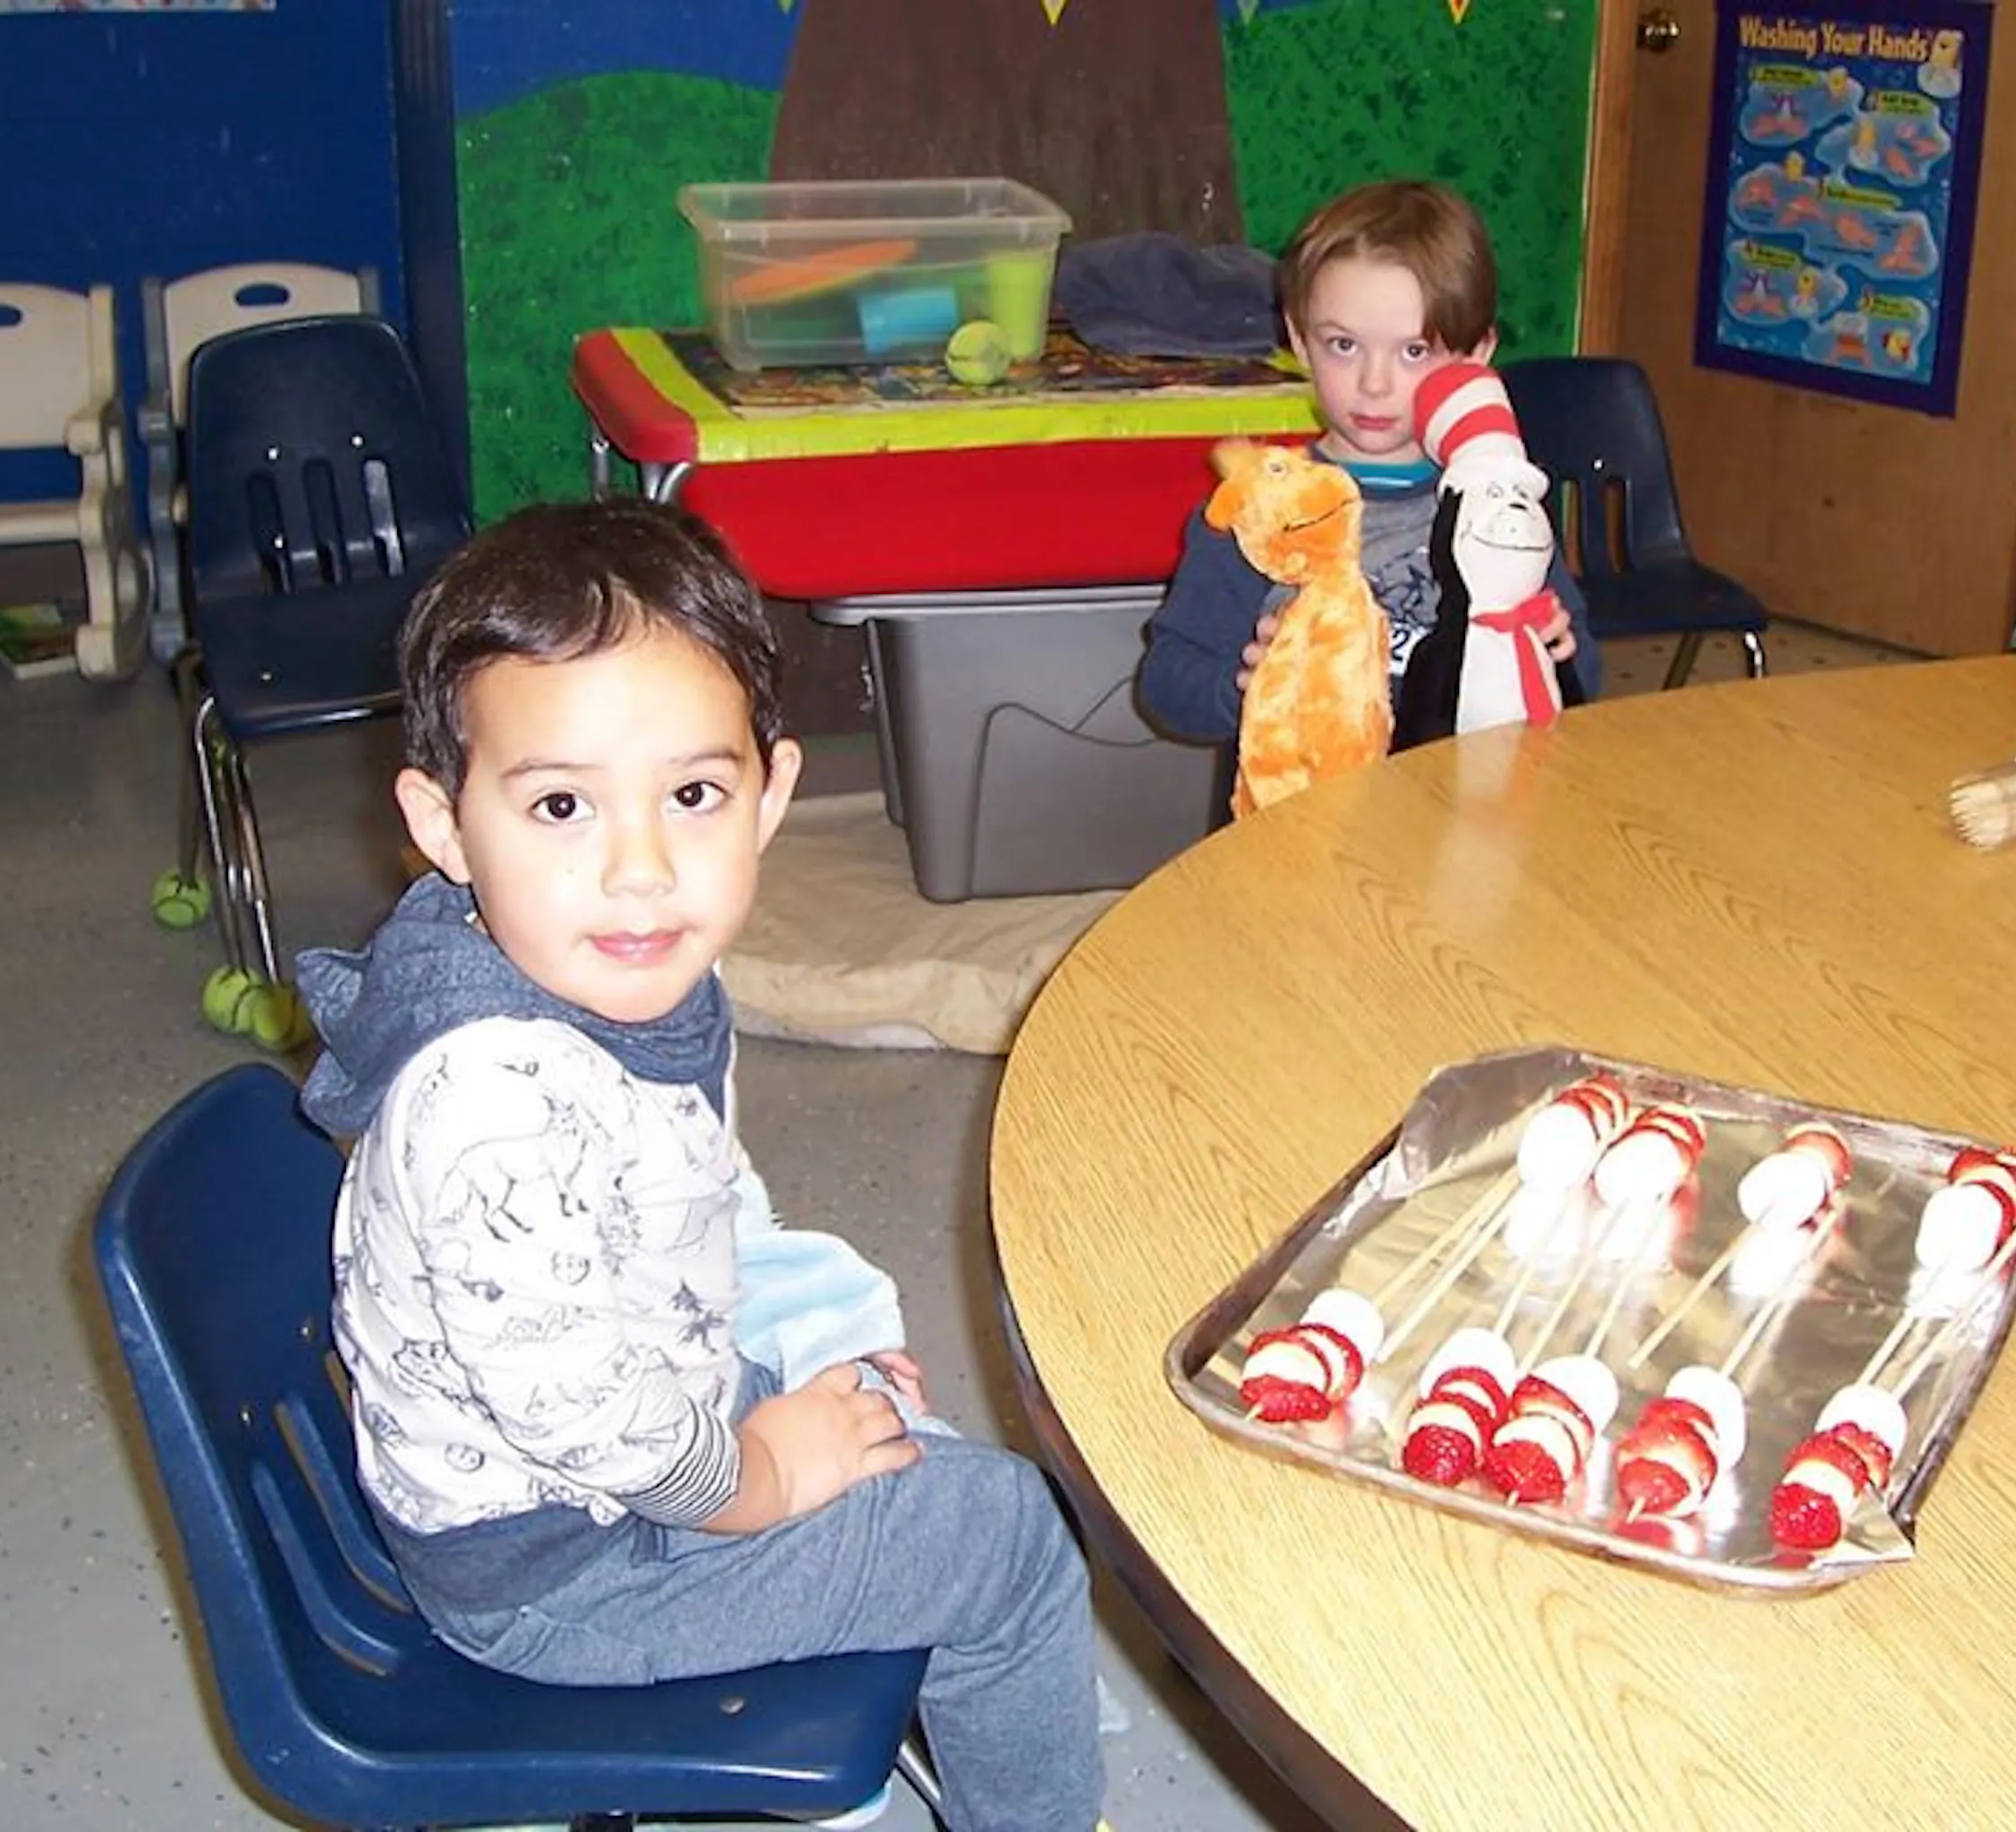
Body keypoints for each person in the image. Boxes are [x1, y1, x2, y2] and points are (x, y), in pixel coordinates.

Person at [292, 498, 1106, 1832]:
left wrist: (776, 1366)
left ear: (769, 794)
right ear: (443, 824)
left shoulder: (599, 964)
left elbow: (657, 1227)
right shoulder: (493, 1106)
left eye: (692, 795)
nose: (642, 870)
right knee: (1010, 1538)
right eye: (561, 804)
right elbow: (594, 1420)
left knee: (879, 1413)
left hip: (603, 1457)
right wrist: (762, 1476)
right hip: (562, 1567)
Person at [1137, 178, 1600, 751]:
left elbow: (1584, 668)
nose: (1374, 384)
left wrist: (1557, 653)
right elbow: (1165, 684)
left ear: (1476, 357)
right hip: (1305, 800)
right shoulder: (1258, 509)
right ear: (1299, 339)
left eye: (1414, 351)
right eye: (1344, 345)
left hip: (1459, 794)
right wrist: (1243, 686)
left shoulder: (1499, 503)